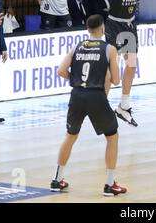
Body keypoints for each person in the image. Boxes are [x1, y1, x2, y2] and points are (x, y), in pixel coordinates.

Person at [50, 14, 127, 196]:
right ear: (103, 29)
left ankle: (57, 179)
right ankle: (109, 184)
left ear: (87, 29)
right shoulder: (109, 49)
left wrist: (75, 80)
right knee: (112, 137)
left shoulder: (77, 46)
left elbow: (61, 71)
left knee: (70, 135)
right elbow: (116, 80)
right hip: (96, 96)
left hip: (77, 95)